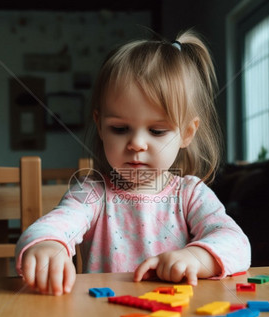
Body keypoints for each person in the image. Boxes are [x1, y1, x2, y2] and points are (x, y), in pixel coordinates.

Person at [16, 30, 251, 295]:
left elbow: (237, 243)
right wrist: (47, 244)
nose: (136, 144)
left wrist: (197, 258)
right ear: (100, 126)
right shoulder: (91, 192)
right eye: (119, 128)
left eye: (157, 131)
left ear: (187, 133)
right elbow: (55, 224)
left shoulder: (190, 194)